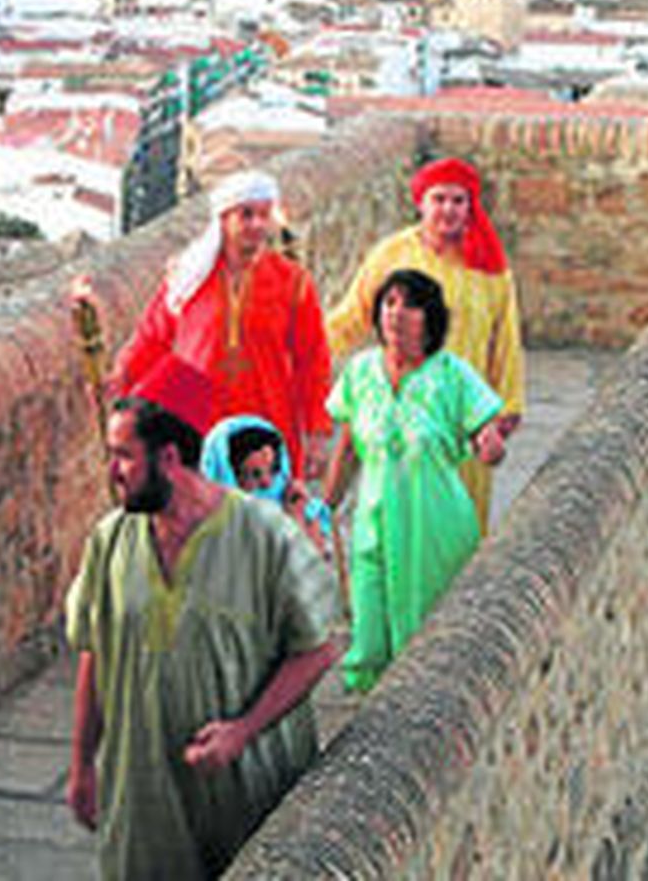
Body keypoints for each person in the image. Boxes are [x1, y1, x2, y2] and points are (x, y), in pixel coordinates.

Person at [65, 356, 340, 880]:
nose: (112, 472)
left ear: (169, 458)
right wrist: (82, 765)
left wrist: (243, 729)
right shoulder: (111, 540)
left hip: (248, 798)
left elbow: (320, 649)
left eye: (123, 455)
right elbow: (93, 652)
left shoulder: (265, 536)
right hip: (144, 806)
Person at [324, 269, 505, 694]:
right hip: (374, 523)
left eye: (410, 305)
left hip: (435, 525)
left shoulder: (451, 375)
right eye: (389, 303)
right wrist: (324, 506)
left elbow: (485, 428)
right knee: (369, 628)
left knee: (427, 638)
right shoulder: (360, 373)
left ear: (430, 318)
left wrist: (489, 441)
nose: (397, 314)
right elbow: (348, 447)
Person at [86, 170, 333, 479]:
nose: (257, 225)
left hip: (266, 419)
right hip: (197, 422)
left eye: (263, 215)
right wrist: (122, 373)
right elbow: (153, 335)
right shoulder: (189, 277)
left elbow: (312, 359)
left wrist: (317, 430)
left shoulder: (293, 282)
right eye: (246, 215)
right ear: (223, 220)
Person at [324, 157, 524, 531]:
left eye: (458, 201)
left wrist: (504, 410)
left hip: (464, 411)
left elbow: (506, 340)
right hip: (402, 402)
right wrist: (304, 348)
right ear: (421, 203)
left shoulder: (489, 267)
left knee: (458, 521)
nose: (448, 210)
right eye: (439, 199)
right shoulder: (392, 255)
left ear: (470, 207)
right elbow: (353, 316)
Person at [200, 414, 334, 557]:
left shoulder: (300, 507)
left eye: (274, 469)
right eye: (254, 474)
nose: (267, 483)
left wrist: (298, 515)